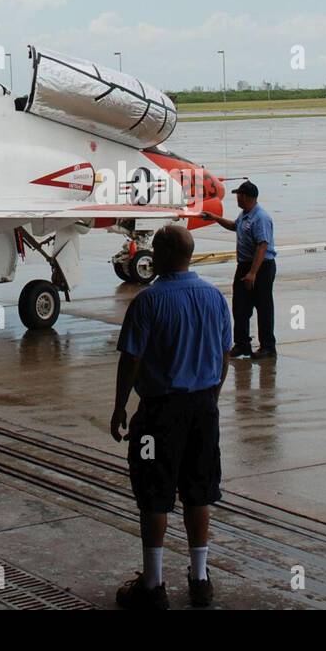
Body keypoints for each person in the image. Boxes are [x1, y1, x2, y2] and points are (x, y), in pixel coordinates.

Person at [110, 224, 231, 609]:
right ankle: (199, 579)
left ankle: (153, 583)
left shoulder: (148, 302)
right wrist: (211, 393)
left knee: (154, 494)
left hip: (159, 414)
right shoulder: (214, 297)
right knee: (199, 491)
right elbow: (225, 353)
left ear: (161, 255)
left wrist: (119, 407)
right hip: (203, 410)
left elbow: (131, 359)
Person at [200, 180, 278, 359]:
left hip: (261, 267)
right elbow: (234, 226)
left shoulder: (261, 218)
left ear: (245, 196)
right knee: (240, 306)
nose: (236, 198)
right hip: (244, 266)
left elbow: (262, 246)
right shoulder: (245, 215)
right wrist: (215, 218)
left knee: (263, 307)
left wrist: (253, 273)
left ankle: (268, 347)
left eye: (238, 195)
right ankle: (242, 344)